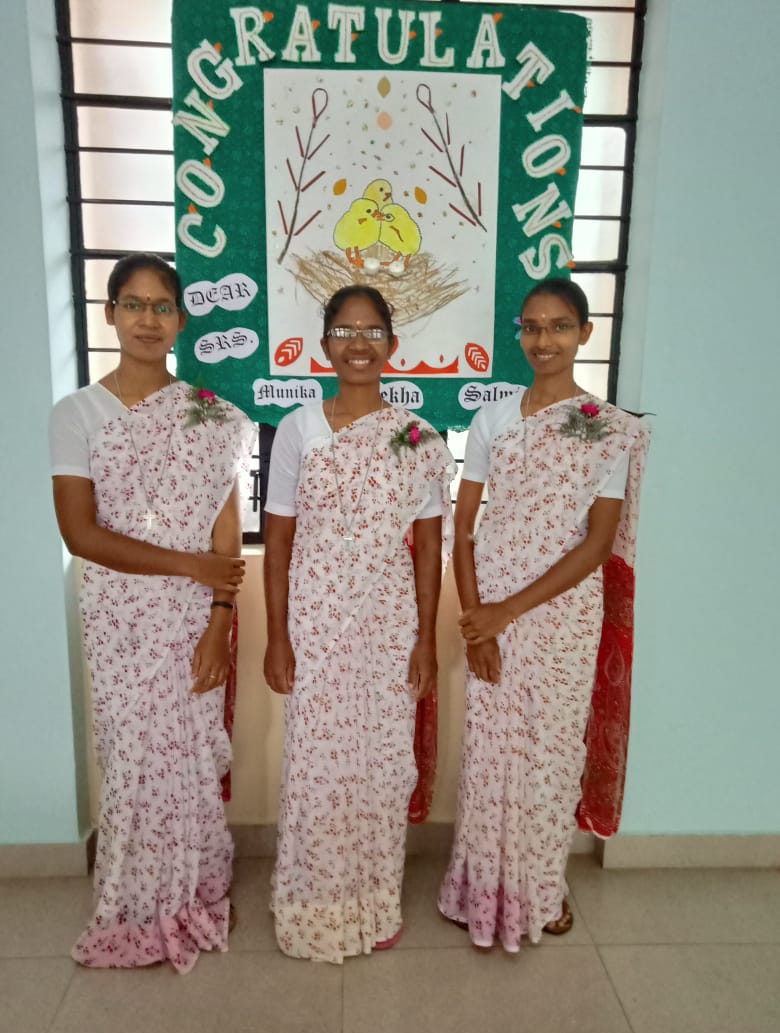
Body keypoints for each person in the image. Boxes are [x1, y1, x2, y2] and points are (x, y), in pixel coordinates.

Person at [49, 253, 256, 973]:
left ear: (182, 320)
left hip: (195, 619)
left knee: (191, 759)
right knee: (134, 760)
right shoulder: (75, 414)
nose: (146, 319)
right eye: (132, 305)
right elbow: (82, 535)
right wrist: (187, 565)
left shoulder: (214, 418)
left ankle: (193, 885)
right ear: (110, 314)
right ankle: (137, 900)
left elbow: (226, 535)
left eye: (161, 306)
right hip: (118, 623)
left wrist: (221, 618)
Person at [438, 277, 649, 951]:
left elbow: (597, 543)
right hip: (489, 608)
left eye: (559, 326)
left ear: (584, 333)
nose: (543, 340)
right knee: (492, 752)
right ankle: (478, 890)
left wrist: (507, 611)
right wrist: (476, 618)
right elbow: (463, 527)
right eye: (531, 327)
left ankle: (541, 888)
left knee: (551, 753)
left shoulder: (610, 431)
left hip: (560, 615)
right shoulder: (494, 418)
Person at [264, 284, 454, 963]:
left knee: (380, 764)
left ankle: (374, 902)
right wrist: (277, 635)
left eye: (372, 332)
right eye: (345, 331)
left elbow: (430, 548)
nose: (358, 344)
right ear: (324, 347)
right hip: (315, 626)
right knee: (318, 766)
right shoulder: (298, 429)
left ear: (392, 346)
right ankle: (314, 907)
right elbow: (279, 541)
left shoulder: (418, 437)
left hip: (389, 626)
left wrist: (427, 638)